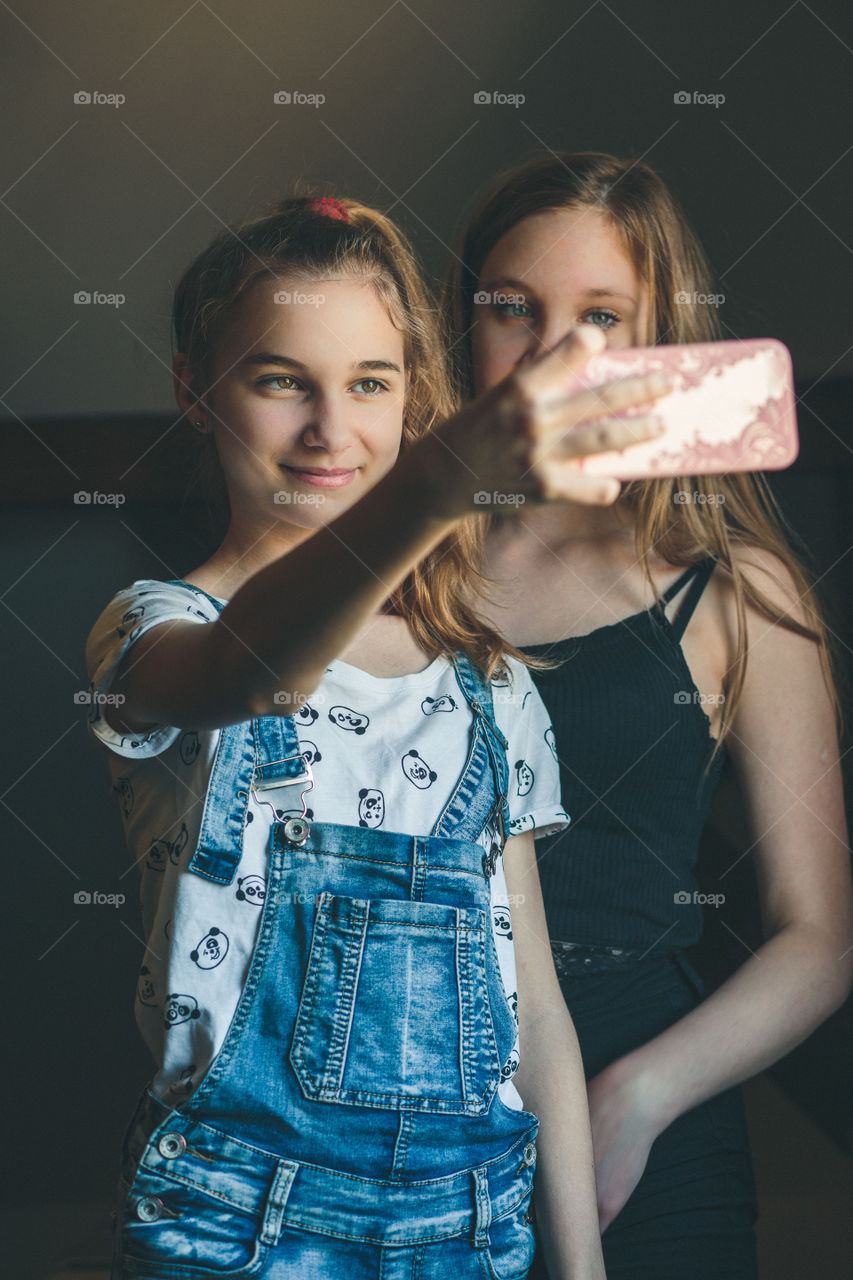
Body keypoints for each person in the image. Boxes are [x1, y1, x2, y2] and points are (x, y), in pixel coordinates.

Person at [84, 193, 672, 1279]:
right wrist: (439, 479)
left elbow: (534, 1010)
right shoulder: (153, 627)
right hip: (232, 1223)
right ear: (194, 391)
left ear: (411, 397)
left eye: (369, 383)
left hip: (474, 1229)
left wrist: (580, 1268)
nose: (329, 429)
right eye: (278, 380)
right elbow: (252, 674)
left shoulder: (487, 682)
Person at [442, 151, 853, 1279]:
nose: (553, 354)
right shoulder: (399, 569)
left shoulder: (733, 586)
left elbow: (820, 936)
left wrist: (637, 1093)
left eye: (601, 316)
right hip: (405, 1088)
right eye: (512, 309)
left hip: (645, 1101)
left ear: (658, 333)